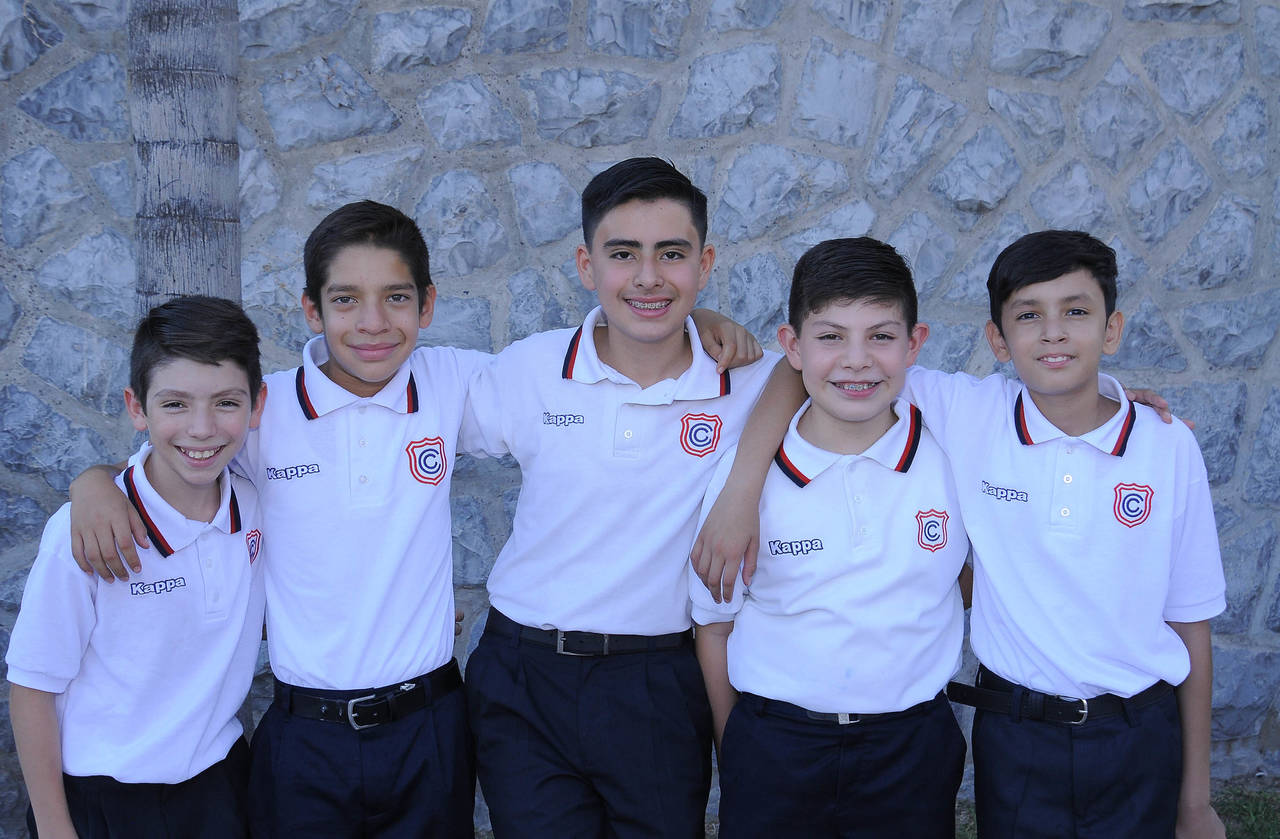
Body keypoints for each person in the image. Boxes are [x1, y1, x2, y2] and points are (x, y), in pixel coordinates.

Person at [66, 199, 758, 837]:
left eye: (395, 297)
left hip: (429, 726)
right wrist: (93, 482)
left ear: (426, 305)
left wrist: (695, 324)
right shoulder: (260, 411)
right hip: (305, 732)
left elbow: (615, 360)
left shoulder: (451, 382)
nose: (372, 322)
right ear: (311, 310)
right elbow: (175, 455)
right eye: (346, 299)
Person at [693, 230, 1227, 839]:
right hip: (992, 735)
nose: (1054, 334)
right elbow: (807, 370)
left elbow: (1189, 617)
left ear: (1111, 329)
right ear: (998, 339)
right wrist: (740, 488)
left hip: (1109, 732)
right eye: (1030, 316)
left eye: (1076, 313)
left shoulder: (1158, 444)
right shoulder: (969, 414)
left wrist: (1195, 802)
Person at [460, 157, 779, 838]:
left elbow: (811, 372)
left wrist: (742, 486)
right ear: (587, 265)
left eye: (673, 254)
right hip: (524, 671)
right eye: (623, 254)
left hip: (657, 678)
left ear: (705, 263)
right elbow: (413, 413)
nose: (648, 276)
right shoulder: (530, 368)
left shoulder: (746, 379)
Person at [692, 238, 971, 838]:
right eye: (831, 336)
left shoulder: (955, 452)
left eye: (881, 335)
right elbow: (714, 626)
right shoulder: (745, 479)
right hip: (776, 745)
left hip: (912, 745)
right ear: (792, 346)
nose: (857, 360)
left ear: (914, 343)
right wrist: (733, 745)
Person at [8, 296, 267, 838]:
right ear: (136, 407)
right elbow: (33, 688)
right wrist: (55, 829)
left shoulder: (258, 505)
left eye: (226, 402)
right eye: (175, 404)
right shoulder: (83, 533)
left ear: (256, 405)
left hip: (218, 785)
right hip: (104, 801)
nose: (202, 428)